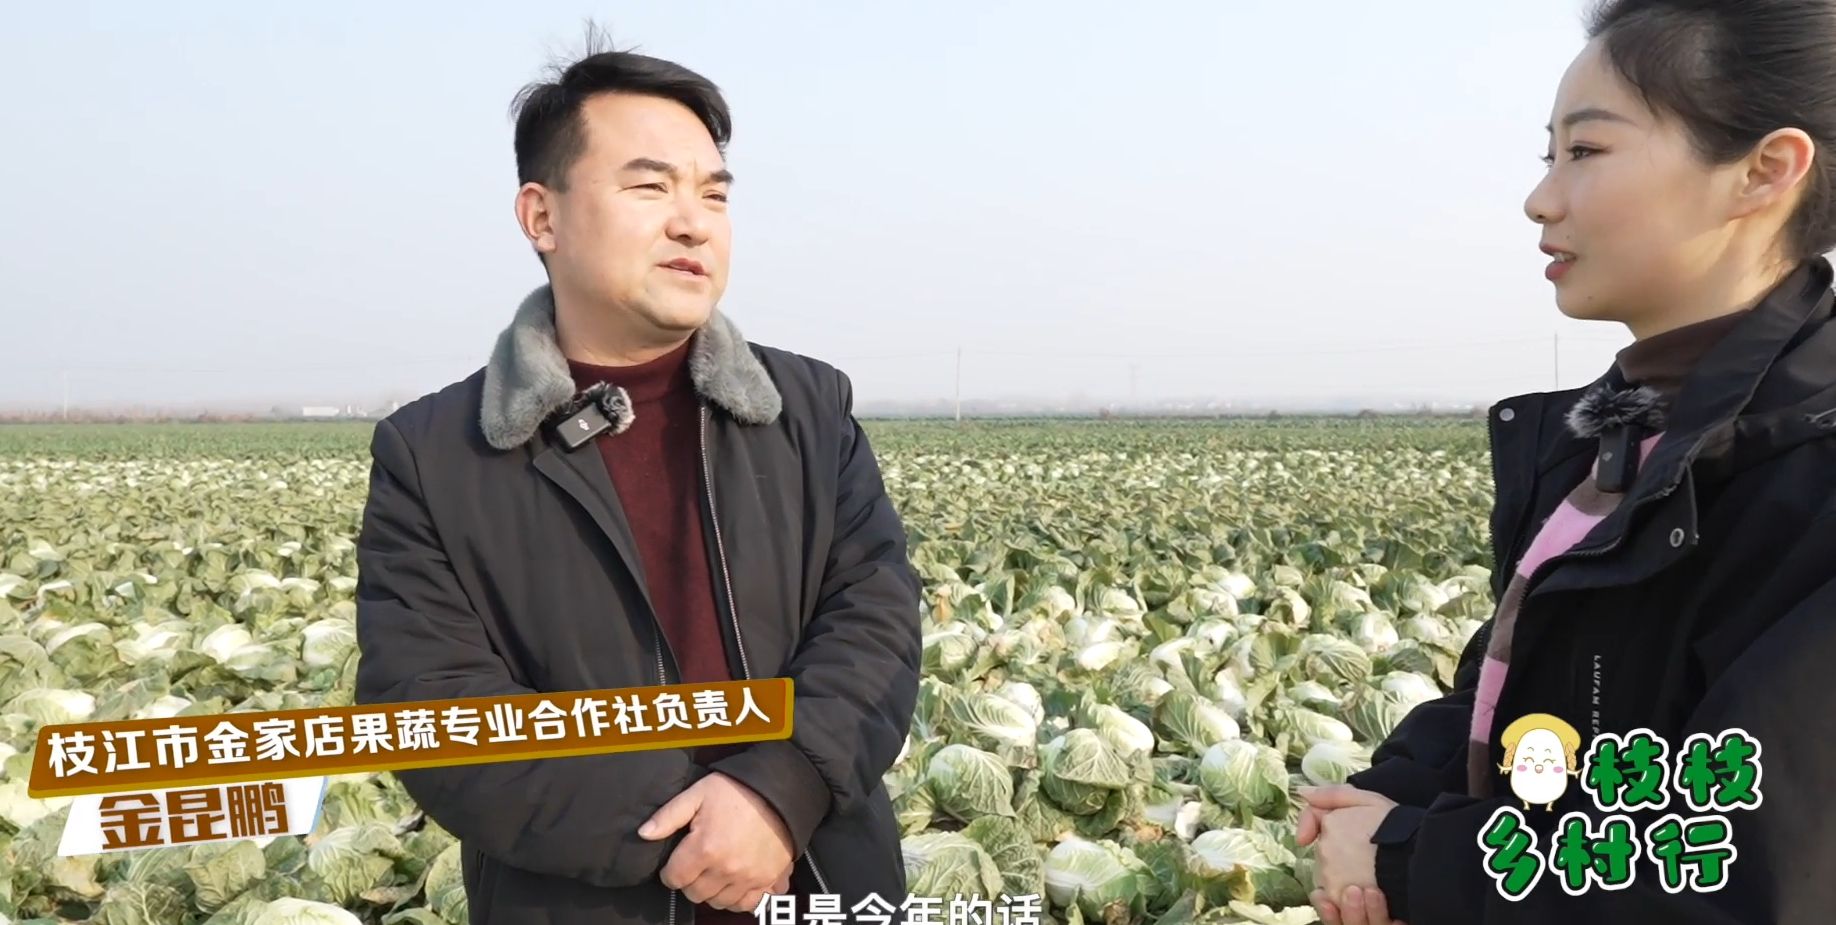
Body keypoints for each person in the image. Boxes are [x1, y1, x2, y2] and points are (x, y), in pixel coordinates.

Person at [351, 34, 923, 925]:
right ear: (541, 217)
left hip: (822, 887)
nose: (693, 223)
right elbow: (437, 709)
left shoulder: (808, 409)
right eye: (651, 187)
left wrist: (780, 788)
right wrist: (691, 833)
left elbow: (873, 620)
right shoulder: (436, 454)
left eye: (713, 195)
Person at [1297, 1, 1836, 923]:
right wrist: (1388, 795)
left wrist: (1415, 856)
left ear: (1765, 171)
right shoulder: (1614, 441)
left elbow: (1747, 875)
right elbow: (1517, 701)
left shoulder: (1812, 475)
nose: (1541, 200)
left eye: (1584, 151)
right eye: (1547, 155)